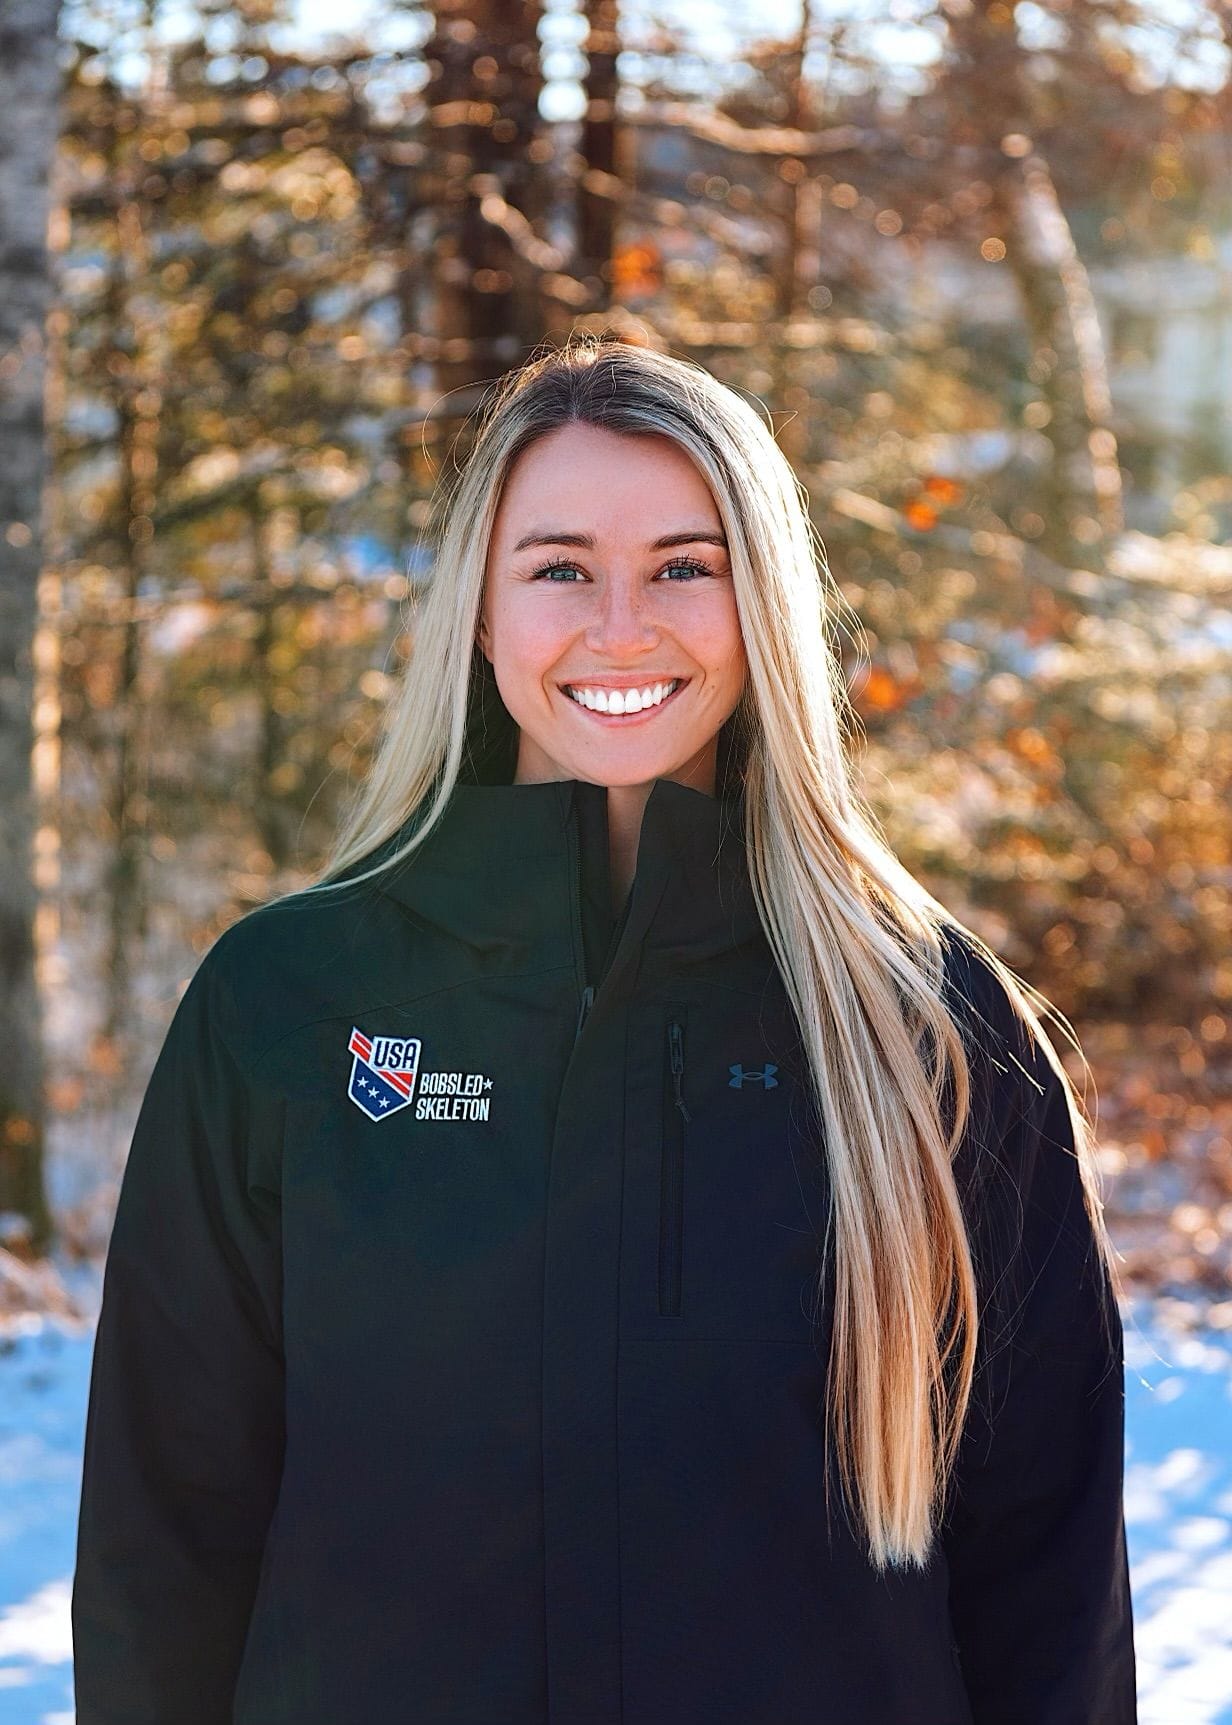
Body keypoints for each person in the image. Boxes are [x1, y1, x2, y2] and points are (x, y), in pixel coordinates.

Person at [72, 334, 1138, 1724]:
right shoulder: (289, 1003)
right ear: (479, 609)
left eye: (685, 566)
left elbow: (1049, 1585)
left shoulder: (930, 1027)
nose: (621, 624)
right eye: (561, 566)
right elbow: (166, 1538)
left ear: (764, 606)